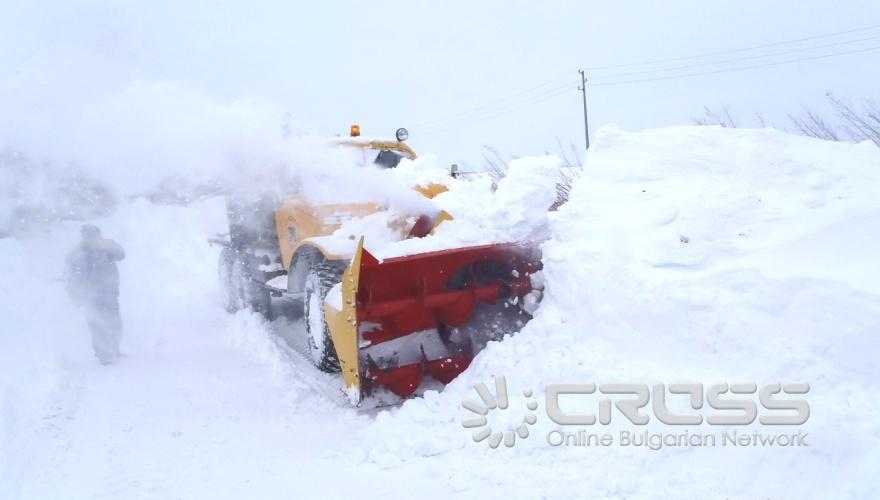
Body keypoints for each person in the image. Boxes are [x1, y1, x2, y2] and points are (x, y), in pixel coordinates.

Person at [65, 224, 126, 364]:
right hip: (90, 295)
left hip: (110, 292)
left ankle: (114, 349)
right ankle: (103, 354)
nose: (91, 238)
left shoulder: (107, 246)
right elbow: (70, 275)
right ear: (83, 236)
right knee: (96, 324)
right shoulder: (77, 252)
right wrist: (75, 295)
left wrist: (104, 246)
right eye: (88, 235)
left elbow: (121, 254)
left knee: (114, 321)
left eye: (94, 234)